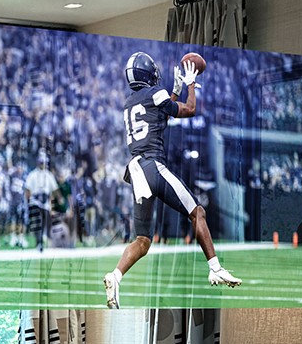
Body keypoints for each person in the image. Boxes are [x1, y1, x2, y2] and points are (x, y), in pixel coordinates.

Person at [103, 52, 241, 308]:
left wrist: (173, 92)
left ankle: (116, 275)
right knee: (197, 212)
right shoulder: (155, 93)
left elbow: (160, 117)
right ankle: (216, 268)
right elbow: (188, 110)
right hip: (153, 166)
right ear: (148, 73)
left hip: (136, 171)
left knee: (142, 240)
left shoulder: (130, 102)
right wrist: (189, 84)